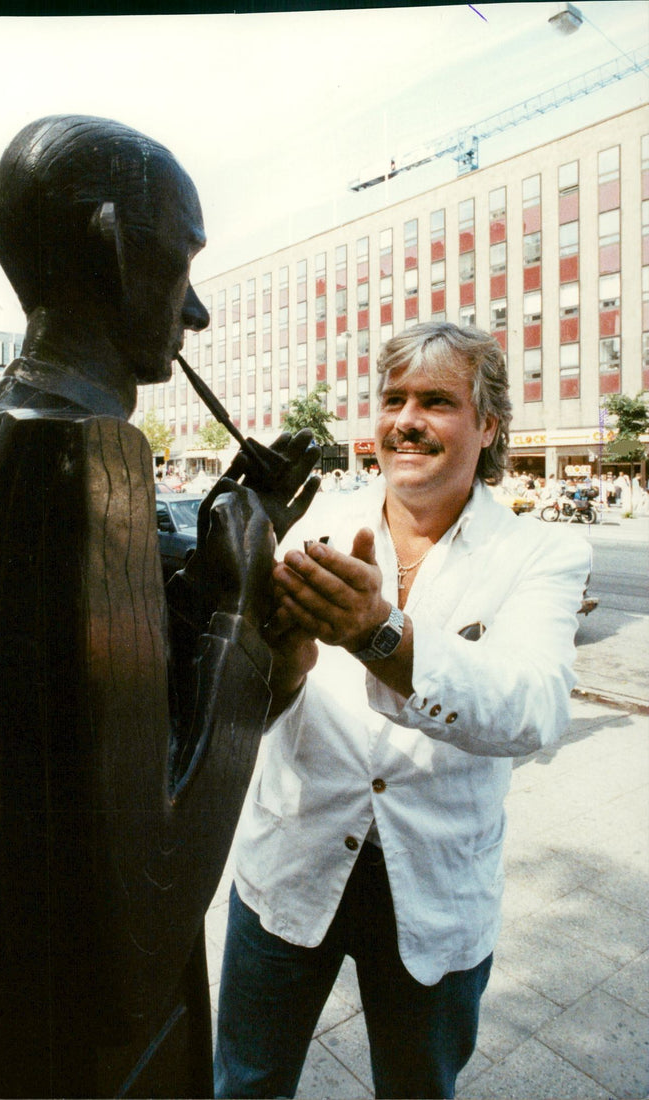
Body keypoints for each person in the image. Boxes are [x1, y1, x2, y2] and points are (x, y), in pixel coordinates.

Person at [0, 114, 317, 1100]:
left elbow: (66, 740)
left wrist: (204, 584)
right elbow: (144, 907)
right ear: (110, 242)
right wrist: (246, 609)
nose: (197, 311)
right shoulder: (89, 461)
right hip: (96, 1058)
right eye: (182, 262)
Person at [214, 322, 591, 1100]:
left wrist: (379, 633)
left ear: (488, 426)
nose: (407, 420)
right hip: (291, 862)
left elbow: (535, 710)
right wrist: (281, 664)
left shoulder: (540, 554)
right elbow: (260, 701)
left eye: (437, 401)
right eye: (393, 399)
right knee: (245, 1084)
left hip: (435, 889)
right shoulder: (314, 524)